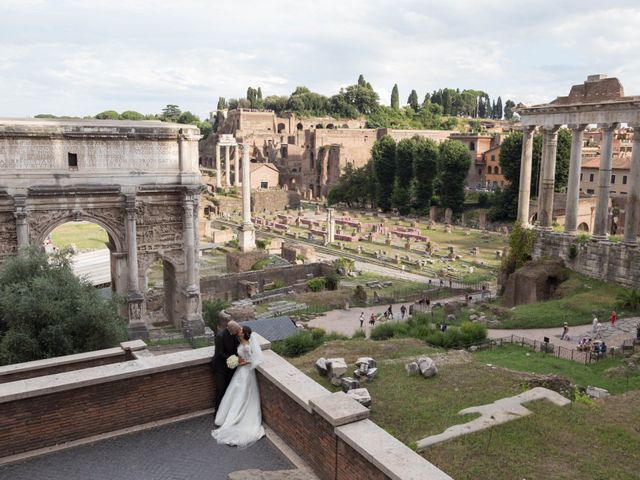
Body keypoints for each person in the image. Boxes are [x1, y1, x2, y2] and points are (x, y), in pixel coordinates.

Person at [212, 326, 265, 448]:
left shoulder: (247, 343)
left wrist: (241, 362)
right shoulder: (239, 340)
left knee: (242, 393)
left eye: (240, 330)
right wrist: (237, 361)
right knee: (234, 393)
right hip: (239, 371)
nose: (239, 331)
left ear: (244, 333)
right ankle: (227, 416)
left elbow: (253, 359)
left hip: (246, 372)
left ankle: (238, 416)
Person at [211, 320, 241, 409]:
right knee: (220, 389)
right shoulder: (220, 336)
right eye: (236, 330)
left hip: (231, 368)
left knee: (229, 388)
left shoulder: (235, 334)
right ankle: (218, 411)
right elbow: (220, 353)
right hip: (220, 368)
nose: (238, 332)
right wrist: (234, 359)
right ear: (231, 330)